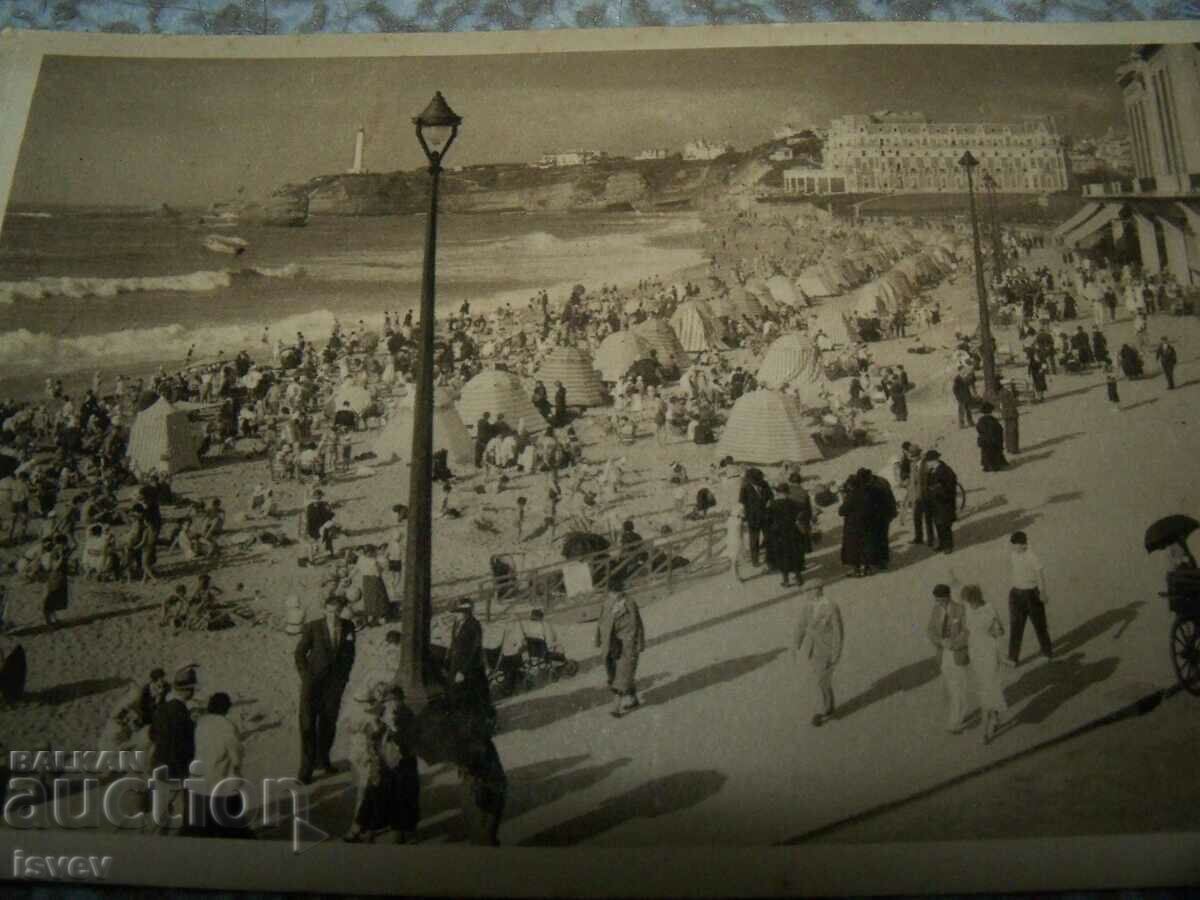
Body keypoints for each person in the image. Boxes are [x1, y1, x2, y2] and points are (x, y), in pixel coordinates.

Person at [294, 593, 356, 784]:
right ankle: (306, 769)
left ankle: (324, 760)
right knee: (307, 724)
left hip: (334, 685)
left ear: (341, 611)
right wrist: (306, 676)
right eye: (330, 612)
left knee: (329, 724)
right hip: (313, 685)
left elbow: (350, 654)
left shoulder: (348, 626)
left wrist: (344, 678)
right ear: (324, 610)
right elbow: (299, 653)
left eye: (336, 612)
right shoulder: (312, 627)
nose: (333, 616)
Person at [189, 691, 253, 838]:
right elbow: (236, 755)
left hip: (199, 782)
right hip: (221, 783)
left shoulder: (201, 723)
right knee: (232, 828)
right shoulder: (227, 726)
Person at [150, 665, 198, 833]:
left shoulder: (161, 709)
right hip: (177, 772)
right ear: (188, 690)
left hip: (158, 767)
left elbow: (152, 735)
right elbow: (188, 747)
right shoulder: (183, 714)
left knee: (160, 820)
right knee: (181, 819)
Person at [960, 583, 1008, 744]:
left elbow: (1000, 630)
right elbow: (967, 631)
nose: (968, 604)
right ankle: (995, 718)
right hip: (976, 654)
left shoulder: (989, 608)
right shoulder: (968, 609)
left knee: (987, 691)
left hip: (989, 652)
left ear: (975, 598)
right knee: (986, 688)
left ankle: (985, 731)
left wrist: (994, 631)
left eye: (969, 601)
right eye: (967, 601)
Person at [794, 587, 844, 727]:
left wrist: (836, 652)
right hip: (813, 649)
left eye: (809, 591)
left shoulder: (831, 606)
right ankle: (828, 706)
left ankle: (825, 710)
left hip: (827, 650)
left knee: (822, 680)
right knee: (819, 679)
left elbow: (838, 631)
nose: (807, 593)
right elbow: (801, 625)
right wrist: (796, 643)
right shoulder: (808, 606)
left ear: (818, 591)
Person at [595, 585, 645, 718]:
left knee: (622, 674)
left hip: (627, 645)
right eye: (611, 593)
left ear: (621, 592)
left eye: (615, 593)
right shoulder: (607, 604)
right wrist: (598, 640)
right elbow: (600, 623)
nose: (612, 596)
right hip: (611, 645)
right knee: (616, 674)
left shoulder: (630, 604)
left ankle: (615, 708)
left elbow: (638, 624)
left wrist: (639, 643)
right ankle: (633, 699)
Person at [1005, 531, 1053, 667]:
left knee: (1040, 625)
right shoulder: (1013, 554)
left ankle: (1047, 653)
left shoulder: (1032, 556)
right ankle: (1013, 658)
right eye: (1012, 545)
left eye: (1016, 545)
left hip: (1031, 594)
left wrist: (1042, 592)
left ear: (1023, 544)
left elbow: (1039, 574)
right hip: (1015, 594)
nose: (1013, 548)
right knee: (1015, 627)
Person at [926, 584, 969, 734]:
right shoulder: (936, 610)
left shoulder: (960, 609)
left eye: (941, 600)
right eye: (937, 600)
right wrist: (940, 641)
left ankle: (956, 720)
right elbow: (930, 630)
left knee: (958, 686)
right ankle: (958, 715)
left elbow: (967, 631)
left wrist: (954, 644)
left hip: (957, 653)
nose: (939, 603)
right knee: (951, 688)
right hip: (943, 654)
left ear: (948, 597)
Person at [447, 599, 491, 714]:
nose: (456, 614)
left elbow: (475, 650)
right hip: (457, 663)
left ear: (467, 612)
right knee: (456, 694)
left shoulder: (474, 625)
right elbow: (454, 643)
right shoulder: (457, 623)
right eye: (455, 612)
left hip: (471, 667)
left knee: (475, 698)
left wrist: (463, 671)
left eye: (459, 612)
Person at [765, 482, 808, 588]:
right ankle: (799, 578)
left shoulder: (773, 504)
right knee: (795, 555)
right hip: (793, 532)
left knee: (782, 556)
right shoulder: (793, 503)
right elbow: (803, 512)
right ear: (787, 492)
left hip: (779, 533)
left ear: (778, 492)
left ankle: (786, 580)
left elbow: (767, 518)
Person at [924, 450, 959, 554]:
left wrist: (937, 490)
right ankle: (942, 544)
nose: (927, 464)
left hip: (944, 503)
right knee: (938, 524)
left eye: (929, 461)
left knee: (945, 525)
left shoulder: (945, 470)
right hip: (935, 504)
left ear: (935, 460)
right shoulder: (932, 470)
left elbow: (950, 486)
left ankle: (948, 546)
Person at [738, 467, 773, 567]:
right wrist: (744, 517)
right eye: (757, 480)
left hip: (766, 516)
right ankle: (755, 560)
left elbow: (771, 496)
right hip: (753, 518)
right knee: (754, 540)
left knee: (768, 539)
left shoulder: (764, 484)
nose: (759, 482)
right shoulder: (745, 488)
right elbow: (742, 504)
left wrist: (769, 502)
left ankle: (769, 560)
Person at [975, 402, 1007, 472]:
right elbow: (997, 429)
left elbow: (978, 428)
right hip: (992, 440)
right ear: (990, 411)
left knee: (986, 453)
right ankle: (994, 466)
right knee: (994, 452)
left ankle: (987, 466)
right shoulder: (992, 420)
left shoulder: (981, 420)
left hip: (984, 441)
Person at [1000, 383, 1020, 454]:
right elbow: (1014, 403)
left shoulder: (1002, 392)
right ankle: (1014, 449)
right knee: (1013, 431)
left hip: (1006, 414)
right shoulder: (1008, 393)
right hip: (1012, 414)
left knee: (1007, 431)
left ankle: (1009, 448)